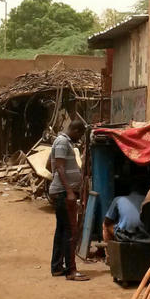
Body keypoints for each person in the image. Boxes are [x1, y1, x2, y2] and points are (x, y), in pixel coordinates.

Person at [49, 118, 89, 281]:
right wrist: (69, 191)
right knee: (71, 232)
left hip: (63, 192)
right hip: (64, 193)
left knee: (61, 231)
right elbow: (59, 167)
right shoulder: (62, 143)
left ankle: (57, 267)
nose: (79, 140)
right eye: (79, 136)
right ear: (76, 131)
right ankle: (71, 271)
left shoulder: (64, 143)